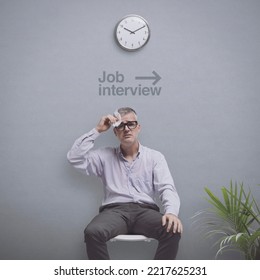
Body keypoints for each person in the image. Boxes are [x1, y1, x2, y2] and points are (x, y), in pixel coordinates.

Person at [67, 107, 183, 259]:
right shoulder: (104, 156)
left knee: (172, 230)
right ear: (115, 132)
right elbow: (74, 158)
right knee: (92, 232)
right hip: (114, 212)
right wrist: (97, 130)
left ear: (138, 127)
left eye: (131, 124)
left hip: (145, 211)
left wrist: (171, 212)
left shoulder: (155, 157)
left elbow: (166, 188)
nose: (126, 129)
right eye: (121, 125)